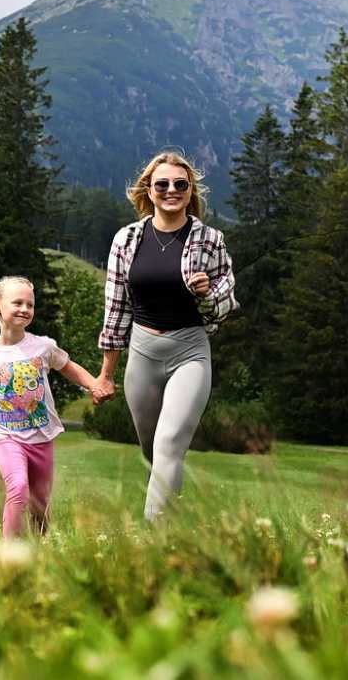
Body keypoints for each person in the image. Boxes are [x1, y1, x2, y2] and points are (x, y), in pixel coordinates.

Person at [97, 151, 238, 521]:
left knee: (169, 443)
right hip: (142, 354)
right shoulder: (126, 240)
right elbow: (116, 310)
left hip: (190, 352)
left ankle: (151, 541)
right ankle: (170, 523)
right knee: (151, 453)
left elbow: (227, 305)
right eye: (163, 184)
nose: (171, 190)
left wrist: (208, 294)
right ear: (149, 190)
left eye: (180, 184)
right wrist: (106, 374)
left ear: (191, 191)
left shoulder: (210, 239)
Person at [0, 276, 112, 536]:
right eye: (18, 303)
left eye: (30, 304)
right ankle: (9, 554)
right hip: (7, 436)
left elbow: (68, 367)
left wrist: (95, 384)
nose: (25, 309)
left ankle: (41, 548)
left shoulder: (43, 347)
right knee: (17, 489)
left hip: (41, 436)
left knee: (40, 503)